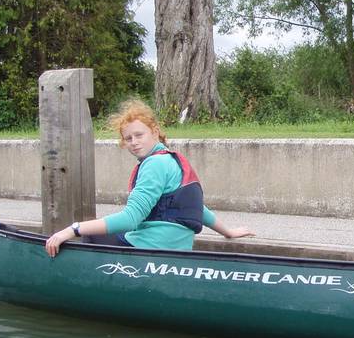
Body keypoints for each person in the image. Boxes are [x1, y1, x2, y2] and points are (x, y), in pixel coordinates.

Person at [45, 99, 254, 256]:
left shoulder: (154, 164)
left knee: (88, 236)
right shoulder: (170, 161)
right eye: (128, 138)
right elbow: (197, 209)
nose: (134, 142)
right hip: (178, 251)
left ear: (154, 132)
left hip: (150, 250)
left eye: (139, 135)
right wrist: (228, 231)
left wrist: (73, 229)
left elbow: (130, 218)